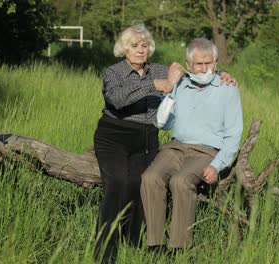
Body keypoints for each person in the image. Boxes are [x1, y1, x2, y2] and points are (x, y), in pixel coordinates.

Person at [93, 23, 236, 263]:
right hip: (114, 134)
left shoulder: (159, 69)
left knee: (140, 183)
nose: (140, 50)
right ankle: (105, 250)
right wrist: (154, 85)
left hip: (145, 137)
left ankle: (135, 244)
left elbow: (194, 73)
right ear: (124, 49)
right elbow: (116, 99)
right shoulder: (113, 73)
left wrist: (220, 74)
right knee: (117, 181)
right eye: (134, 46)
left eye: (144, 45)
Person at [140, 38, 243, 254]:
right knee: (150, 177)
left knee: (181, 181)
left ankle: (179, 248)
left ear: (216, 63)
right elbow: (165, 123)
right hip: (175, 148)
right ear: (189, 65)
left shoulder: (228, 88)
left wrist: (217, 165)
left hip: (205, 152)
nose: (205, 69)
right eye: (199, 64)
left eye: (209, 63)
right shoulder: (179, 85)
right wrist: (169, 95)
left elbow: (234, 134)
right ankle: (155, 245)